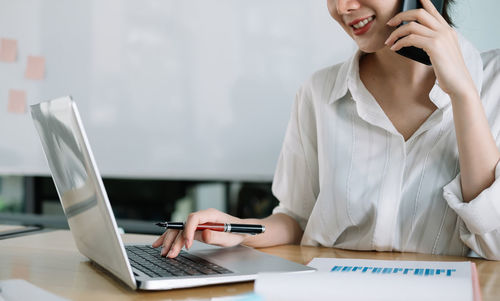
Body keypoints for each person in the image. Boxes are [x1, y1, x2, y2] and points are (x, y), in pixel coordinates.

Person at [154, 0, 500, 260]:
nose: (342, 7)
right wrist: (237, 229)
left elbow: (495, 244)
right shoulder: (319, 92)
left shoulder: (492, 82)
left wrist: (464, 94)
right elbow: (297, 220)